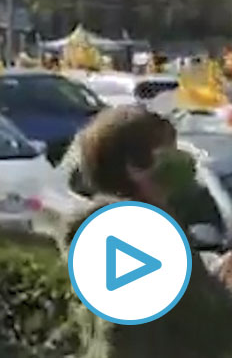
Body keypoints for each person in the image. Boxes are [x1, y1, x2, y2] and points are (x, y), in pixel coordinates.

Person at [63, 105, 232, 356]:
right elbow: (127, 340)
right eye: (170, 151)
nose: (184, 160)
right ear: (135, 166)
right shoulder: (132, 237)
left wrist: (215, 280)